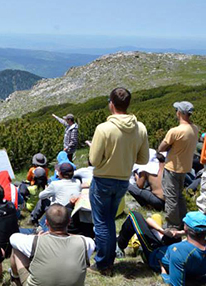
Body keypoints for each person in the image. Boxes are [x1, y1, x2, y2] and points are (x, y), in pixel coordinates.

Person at [87, 87, 149, 275]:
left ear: (111, 104)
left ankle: (103, 264)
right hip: (123, 180)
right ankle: (108, 259)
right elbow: (143, 159)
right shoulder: (140, 128)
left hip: (103, 180)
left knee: (102, 223)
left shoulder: (103, 129)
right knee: (109, 221)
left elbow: (94, 161)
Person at [9, 204, 95, 286]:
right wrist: (68, 235)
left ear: (46, 223)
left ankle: (15, 279)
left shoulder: (35, 241)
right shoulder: (85, 243)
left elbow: (13, 238)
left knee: (17, 249)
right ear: (69, 221)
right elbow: (88, 240)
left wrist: (36, 236)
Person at [118, 211, 206, 285]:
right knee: (156, 219)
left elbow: (176, 282)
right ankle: (159, 231)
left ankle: (120, 247)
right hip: (168, 249)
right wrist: (179, 233)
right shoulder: (193, 249)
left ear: (185, 227)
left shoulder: (178, 252)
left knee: (133, 215)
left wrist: (164, 273)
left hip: (154, 253)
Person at [158, 101, 200, 229]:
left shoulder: (175, 131)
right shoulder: (195, 128)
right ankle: (183, 221)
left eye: (177, 110)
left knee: (171, 197)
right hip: (185, 167)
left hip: (172, 167)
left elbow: (161, 147)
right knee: (179, 195)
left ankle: (173, 225)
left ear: (180, 113)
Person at [33, 163, 81, 229]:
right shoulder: (78, 182)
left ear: (60, 173)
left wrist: (48, 189)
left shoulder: (55, 184)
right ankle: (40, 223)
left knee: (43, 200)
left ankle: (38, 223)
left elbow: (41, 196)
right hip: (73, 212)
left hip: (58, 213)